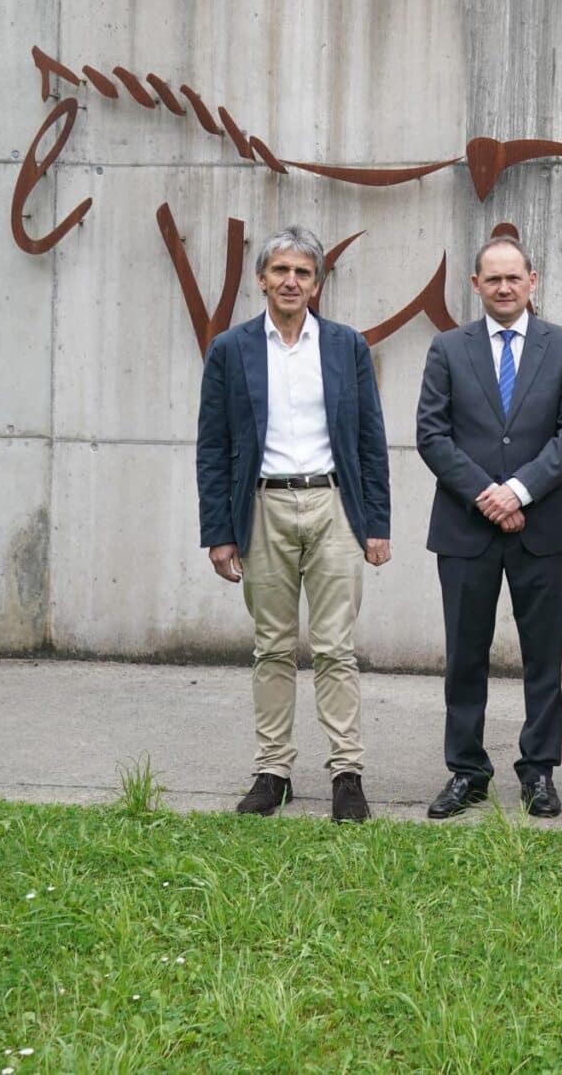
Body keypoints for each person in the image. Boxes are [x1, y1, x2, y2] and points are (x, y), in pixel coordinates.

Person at [195, 225, 392, 823]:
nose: (290, 281)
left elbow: (370, 440)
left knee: (336, 649)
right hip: (262, 508)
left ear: (317, 284)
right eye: (280, 270)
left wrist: (376, 524)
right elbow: (212, 446)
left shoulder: (345, 346)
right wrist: (218, 532)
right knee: (272, 648)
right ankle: (273, 772)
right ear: (261, 279)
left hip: (333, 506)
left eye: (303, 272)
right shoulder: (231, 349)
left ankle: (346, 774)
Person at [416, 236, 562, 820]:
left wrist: (518, 490)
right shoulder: (447, 348)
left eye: (514, 277)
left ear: (532, 280)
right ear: (476, 285)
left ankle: (538, 770)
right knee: (465, 655)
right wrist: (486, 495)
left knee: (543, 658)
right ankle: (467, 770)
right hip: (465, 528)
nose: (504, 288)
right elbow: (431, 434)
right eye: (492, 279)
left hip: (542, 526)